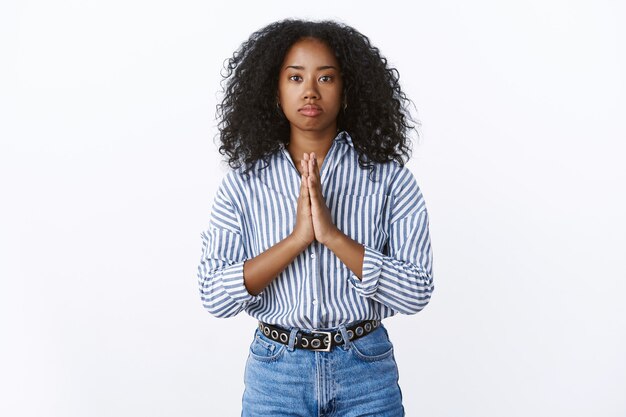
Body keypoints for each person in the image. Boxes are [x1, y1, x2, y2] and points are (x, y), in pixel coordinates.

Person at [197, 18, 434, 417]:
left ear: (347, 90)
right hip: (276, 376)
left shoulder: (391, 179)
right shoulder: (243, 184)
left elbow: (416, 291)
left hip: (366, 372)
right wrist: (296, 240)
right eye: (295, 78)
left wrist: (333, 237)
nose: (309, 90)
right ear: (274, 90)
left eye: (326, 78)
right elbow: (213, 295)